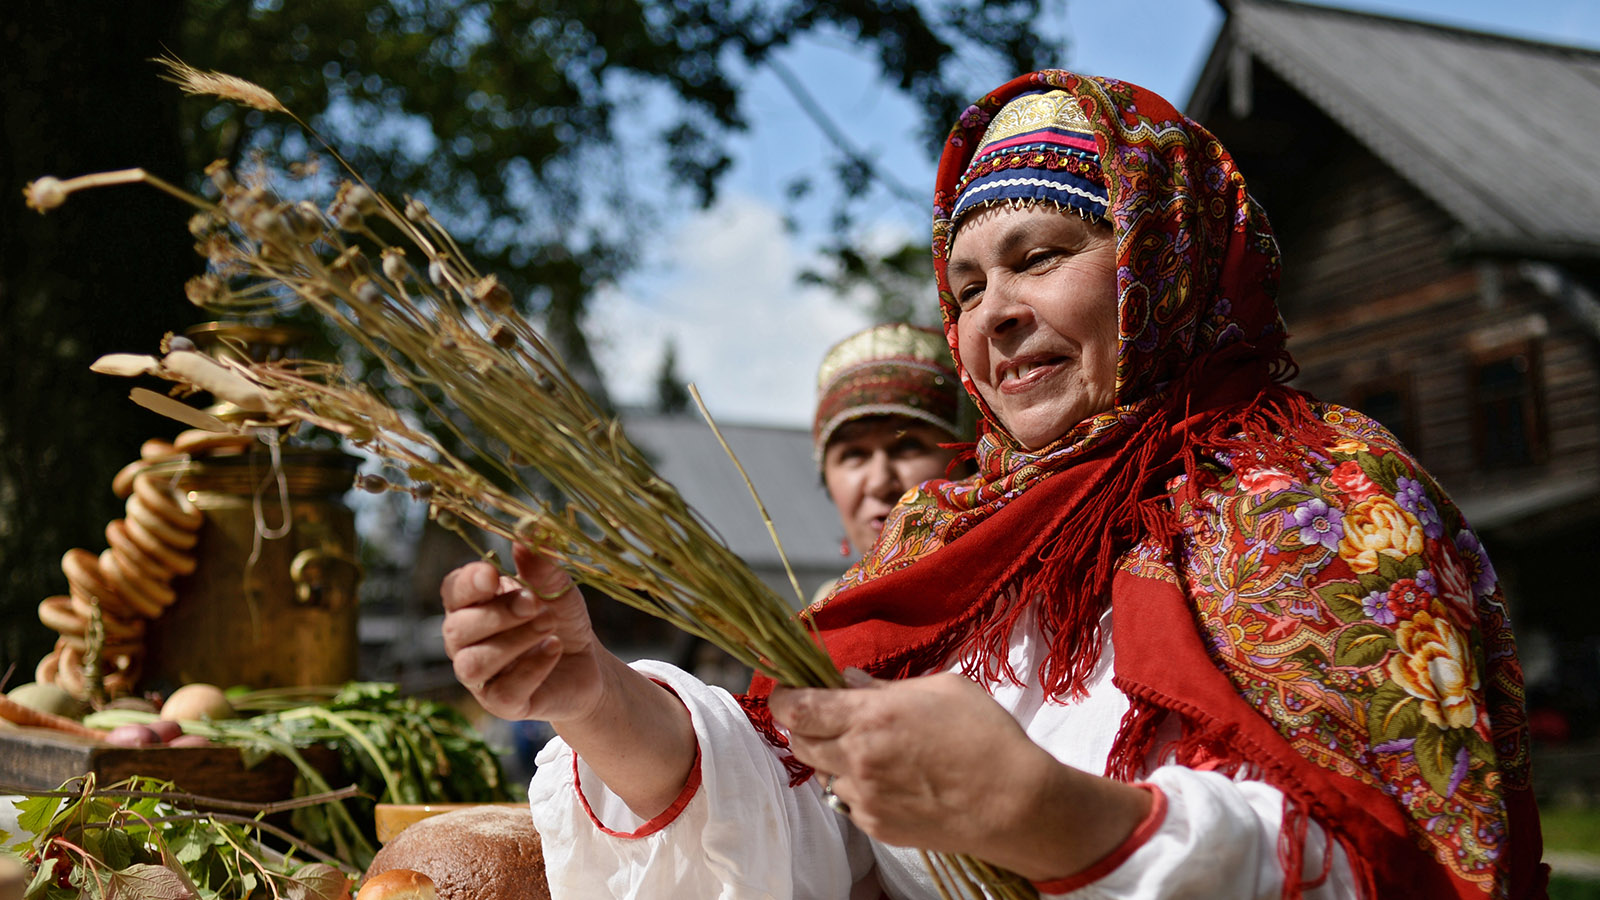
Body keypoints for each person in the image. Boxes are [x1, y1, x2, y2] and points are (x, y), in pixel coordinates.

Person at [440, 70, 1546, 899]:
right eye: (965, 286)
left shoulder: (1321, 502)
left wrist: (1056, 818)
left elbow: (1400, 865)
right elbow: (802, 821)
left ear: (1162, 258)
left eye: (1040, 256)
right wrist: (591, 696)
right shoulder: (943, 543)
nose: (993, 316)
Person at [812, 322, 967, 580]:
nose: (880, 483)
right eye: (854, 455)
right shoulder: (821, 617)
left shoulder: (1032, 603)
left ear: (970, 463)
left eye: (908, 446)